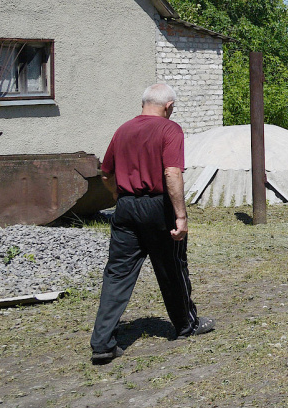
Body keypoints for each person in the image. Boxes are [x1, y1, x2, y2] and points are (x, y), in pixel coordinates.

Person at [89, 83, 214, 365]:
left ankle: (102, 343)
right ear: (168, 106)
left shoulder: (123, 130)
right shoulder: (170, 129)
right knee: (171, 267)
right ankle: (186, 325)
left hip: (125, 207)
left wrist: (117, 196)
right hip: (157, 206)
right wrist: (180, 215)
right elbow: (171, 173)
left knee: (118, 273)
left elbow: (106, 172)